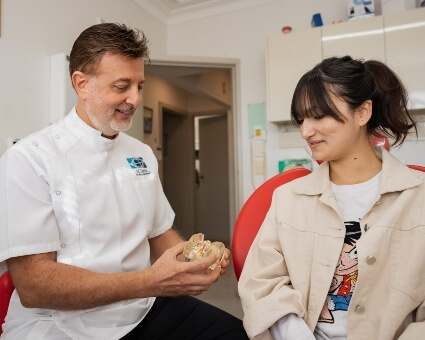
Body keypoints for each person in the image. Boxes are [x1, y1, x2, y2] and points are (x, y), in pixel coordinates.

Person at [0, 23, 248, 339]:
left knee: (234, 334)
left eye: (139, 86)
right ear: (81, 83)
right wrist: (151, 281)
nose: (135, 98)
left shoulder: (140, 153)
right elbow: (35, 286)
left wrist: (192, 258)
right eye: (121, 86)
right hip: (60, 323)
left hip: (142, 307)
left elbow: (159, 233)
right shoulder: (29, 159)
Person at [238, 55, 425, 339]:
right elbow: (260, 284)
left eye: (318, 115)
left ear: (362, 113)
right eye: (301, 120)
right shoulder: (287, 198)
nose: (305, 131)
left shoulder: (418, 196)